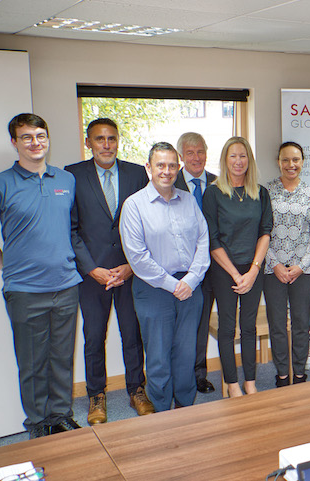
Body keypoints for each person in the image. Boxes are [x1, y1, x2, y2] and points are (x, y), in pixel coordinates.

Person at [0, 113, 83, 438]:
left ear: (47, 139)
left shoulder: (65, 180)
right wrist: (9, 267)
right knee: (33, 365)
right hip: (25, 292)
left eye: (40, 136)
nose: (35, 142)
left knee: (62, 359)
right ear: (15, 142)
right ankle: (37, 425)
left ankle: (60, 416)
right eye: (27, 137)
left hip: (66, 286)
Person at [66, 118, 153, 426]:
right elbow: (71, 229)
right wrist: (92, 269)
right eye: (99, 139)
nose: (106, 144)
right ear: (89, 142)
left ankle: (136, 390)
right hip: (93, 275)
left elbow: (148, 224)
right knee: (93, 336)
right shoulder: (73, 175)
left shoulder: (137, 174)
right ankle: (96, 396)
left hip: (130, 271)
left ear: (118, 141)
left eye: (111, 138)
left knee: (132, 334)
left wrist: (132, 266)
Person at [120, 142, 210, 411]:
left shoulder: (188, 200)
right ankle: (160, 413)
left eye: (172, 165)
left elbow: (203, 241)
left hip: (190, 288)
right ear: (149, 168)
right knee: (159, 357)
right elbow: (137, 257)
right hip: (154, 288)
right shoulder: (134, 205)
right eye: (160, 165)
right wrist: (174, 285)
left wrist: (191, 279)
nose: (167, 171)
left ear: (178, 168)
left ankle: (185, 408)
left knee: (186, 354)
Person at [202, 137, 273, 397]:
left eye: (243, 156)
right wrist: (235, 274)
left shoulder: (260, 192)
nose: (238, 161)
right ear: (225, 160)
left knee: (249, 326)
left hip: (253, 268)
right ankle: (232, 384)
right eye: (233, 156)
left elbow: (265, 232)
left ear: (249, 160)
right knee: (227, 327)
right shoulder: (213, 192)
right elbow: (212, 238)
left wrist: (253, 271)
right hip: (224, 270)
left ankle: (250, 382)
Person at [263, 142, 310, 386]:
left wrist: (301, 265)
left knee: (301, 325)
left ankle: (299, 374)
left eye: (296, 160)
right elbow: (261, 231)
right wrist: (275, 263)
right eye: (286, 160)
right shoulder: (265, 192)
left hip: (303, 271)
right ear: (278, 161)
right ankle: (282, 375)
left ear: (302, 162)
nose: (291, 165)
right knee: (277, 325)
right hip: (272, 269)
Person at [173, 132, 218, 394]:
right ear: (181, 156)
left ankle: (199, 374)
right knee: (180, 325)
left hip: (214, 267)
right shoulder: (170, 182)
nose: (196, 157)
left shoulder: (218, 182)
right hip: (182, 269)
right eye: (190, 153)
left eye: (200, 151)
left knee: (202, 323)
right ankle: (179, 374)